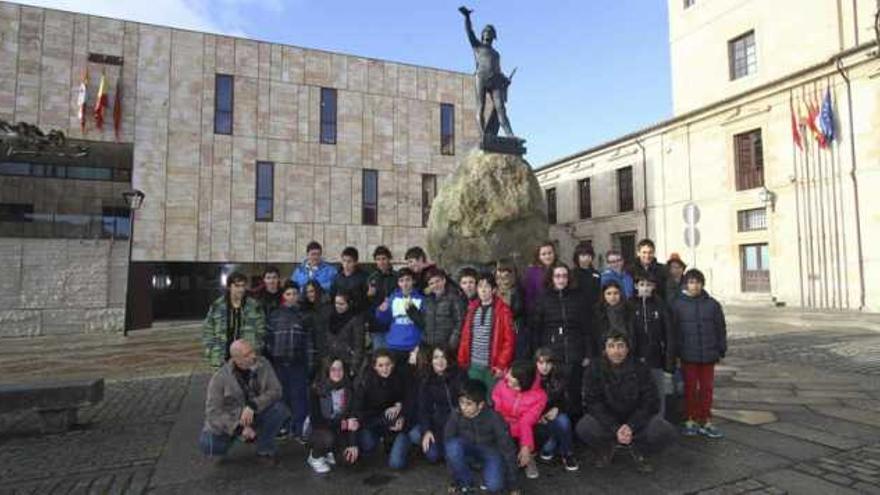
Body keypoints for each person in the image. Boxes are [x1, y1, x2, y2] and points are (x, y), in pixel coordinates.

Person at [575, 332, 677, 473]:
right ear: (605, 349)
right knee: (584, 427)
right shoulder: (594, 368)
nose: (616, 351)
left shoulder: (641, 368)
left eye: (620, 346)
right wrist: (615, 427)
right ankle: (607, 448)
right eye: (611, 346)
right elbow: (593, 403)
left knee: (664, 430)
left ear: (627, 349)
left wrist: (631, 426)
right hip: (608, 421)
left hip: (635, 420)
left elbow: (651, 401)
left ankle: (640, 450)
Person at [199, 339, 289, 465]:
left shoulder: (263, 363)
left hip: (255, 413)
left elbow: (276, 390)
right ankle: (240, 436)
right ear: (237, 359)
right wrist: (238, 428)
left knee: (280, 410)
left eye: (252, 351)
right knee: (209, 445)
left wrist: (253, 405)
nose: (253, 356)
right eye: (247, 354)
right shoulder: (219, 377)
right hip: (233, 419)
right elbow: (213, 413)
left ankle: (264, 449)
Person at [530, 263, 593, 418]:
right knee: (554, 396)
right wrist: (538, 354)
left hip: (575, 353)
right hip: (552, 355)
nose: (561, 279)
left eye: (564, 276)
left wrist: (588, 353)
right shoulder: (543, 298)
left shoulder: (578, 298)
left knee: (575, 396)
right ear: (551, 278)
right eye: (558, 276)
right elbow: (536, 328)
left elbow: (587, 327)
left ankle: (576, 434)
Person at [670, 269, 727, 439]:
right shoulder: (677, 304)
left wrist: (721, 349)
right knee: (690, 388)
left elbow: (720, 328)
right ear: (686, 284)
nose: (695, 286)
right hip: (688, 354)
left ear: (702, 284)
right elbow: (674, 331)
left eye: (698, 282)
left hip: (709, 354)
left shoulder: (712, 304)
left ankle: (706, 419)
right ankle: (690, 418)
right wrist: (676, 352)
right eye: (691, 282)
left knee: (707, 388)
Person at [444, 379, 519, 494]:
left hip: (490, 451)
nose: (463, 407)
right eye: (461, 402)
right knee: (452, 446)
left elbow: (507, 449)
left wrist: (513, 485)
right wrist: (453, 480)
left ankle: (485, 472)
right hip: (467, 448)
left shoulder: (494, 418)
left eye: (468, 404)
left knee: (495, 487)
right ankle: (466, 481)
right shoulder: (456, 414)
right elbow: (448, 444)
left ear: (481, 405)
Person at [264, 280, 314, 440]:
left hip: (298, 363)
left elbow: (310, 343)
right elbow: (268, 338)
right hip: (279, 363)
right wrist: (273, 354)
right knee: (282, 397)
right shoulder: (275, 314)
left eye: (294, 293)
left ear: (299, 295)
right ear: (283, 296)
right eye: (288, 294)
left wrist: (311, 363)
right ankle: (284, 426)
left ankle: (300, 430)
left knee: (299, 398)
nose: (292, 297)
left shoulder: (304, 315)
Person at [352, 349, 414, 469]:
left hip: (397, 424)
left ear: (393, 364)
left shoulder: (400, 377)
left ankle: (400, 445)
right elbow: (359, 412)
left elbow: (410, 399)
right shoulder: (366, 382)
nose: (385, 369)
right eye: (380, 365)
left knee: (396, 464)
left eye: (388, 364)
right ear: (374, 366)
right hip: (373, 422)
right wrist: (385, 420)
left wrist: (401, 411)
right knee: (367, 443)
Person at [457, 273, 515, 392]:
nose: (483, 290)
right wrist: (462, 359)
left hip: (492, 366)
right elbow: (465, 337)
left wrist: (501, 365)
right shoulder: (472, 308)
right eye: (480, 286)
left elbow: (509, 341)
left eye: (487, 286)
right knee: (475, 397)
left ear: (493, 290)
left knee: (492, 398)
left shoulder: (503, 310)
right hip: (473, 364)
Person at [492, 360, 547, 480]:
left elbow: (526, 421)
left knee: (540, 430)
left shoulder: (540, 396)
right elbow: (496, 410)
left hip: (522, 429)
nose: (506, 376)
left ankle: (529, 457)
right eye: (509, 373)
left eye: (512, 377)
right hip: (503, 425)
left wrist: (526, 446)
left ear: (523, 381)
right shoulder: (502, 384)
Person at [631, 271, 675, 417]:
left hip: (656, 358)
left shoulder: (660, 305)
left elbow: (669, 333)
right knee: (638, 394)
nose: (645, 288)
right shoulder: (630, 305)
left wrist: (669, 363)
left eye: (648, 285)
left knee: (658, 392)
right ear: (636, 286)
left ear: (654, 287)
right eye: (642, 285)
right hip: (636, 359)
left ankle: (659, 421)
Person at [412, 345, 465, 463]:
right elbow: (423, 408)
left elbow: (464, 404)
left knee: (453, 453)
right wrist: (427, 430)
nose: (439, 361)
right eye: (436, 357)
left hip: (455, 422)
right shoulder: (426, 378)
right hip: (436, 423)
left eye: (443, 357)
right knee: (432, 455)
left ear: (449, 359)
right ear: (431, 360)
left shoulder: (459, 375)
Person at [307, 357, 359, 473]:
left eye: (340, 369)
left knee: (349, 460)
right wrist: (344, 424)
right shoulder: (315, 390)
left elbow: (353, 416)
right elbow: (317, 421)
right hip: (319, 430)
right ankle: (315, 457)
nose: (337, 373)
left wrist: (352, 444)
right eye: (333, 369)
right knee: (327, 438)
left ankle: (330, 452)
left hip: (339, 431)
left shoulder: (349, 388)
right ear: (326, 371)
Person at [202, 272, 266, 369]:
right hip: (222, 358)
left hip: (246, 358)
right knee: (223, 383)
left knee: (245, 384)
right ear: (229, 287)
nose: (241, 289)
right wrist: (211, 350)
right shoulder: (218, 306)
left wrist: (256, 349)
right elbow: (208, 330)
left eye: (243, 286)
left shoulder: (254, 306)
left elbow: (261, 331)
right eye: (237, 286)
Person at [533, 347, 579, 472]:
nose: (544, 366)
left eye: (548, 363)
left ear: (553, 364)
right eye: (541, 363)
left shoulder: (561, 377)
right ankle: (552, 443)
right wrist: (537, 415)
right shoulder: (530, 379)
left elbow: (570, 401)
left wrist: (558, 409)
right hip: (535, 419)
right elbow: (525, 403)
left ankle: (567, 453)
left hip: (554, 416)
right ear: (536, 363)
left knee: (564, 421)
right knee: (546, 449)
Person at [375, 268, 426, 365]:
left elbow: (424, 324)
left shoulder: (421, 299)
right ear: (398, 283)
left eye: (408, 280)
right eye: (401, 281)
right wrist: (381, 311)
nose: (405, 284)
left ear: (413, 281)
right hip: (394, 345)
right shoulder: (393, 298)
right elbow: (384, 321)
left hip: (413, 346)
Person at [315, 291, 365, 378]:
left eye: (342, 304)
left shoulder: (356, 320)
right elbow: (324, 338)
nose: (338, 306)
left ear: (349, 304)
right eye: (336, 303)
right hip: (330, 359)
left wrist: (354, 366)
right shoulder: (330, 316)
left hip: (347, 360)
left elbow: (358, 344)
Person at [422, 267, 466, 351]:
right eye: (431, 283)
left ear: (444, 281)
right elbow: (425, 322)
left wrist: (452, 344)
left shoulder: (454, 298)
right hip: (430, 345)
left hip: (447, 347)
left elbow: (460, 322)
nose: (435, 285)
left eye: (437, 281)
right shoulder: (428, 300)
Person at [495, 259, 528, 360]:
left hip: (514, 326)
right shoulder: (495, 289)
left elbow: (519, 309)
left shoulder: (516, 290)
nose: (502, 276)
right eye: (499, 272)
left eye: (505, 272)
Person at [367, 246, 398, 350]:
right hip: (377, 325)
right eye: (378, 259)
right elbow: (367, 303)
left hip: (393, 324)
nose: (381, 262)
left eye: (384, 258)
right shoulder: (371, 278)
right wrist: (369, 296)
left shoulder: (397, 277)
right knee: (379, 355)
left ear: (389, 259)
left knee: (393, 355)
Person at [593, 280, 636, 355]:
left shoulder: (629, 309)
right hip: (605, 350)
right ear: (603, 295)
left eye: (616, 293)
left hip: (626, 348)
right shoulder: (598, 311)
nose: (612, 297)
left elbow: (632, 331)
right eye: (608, 294)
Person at [331, 246, 370, 315]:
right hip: (338, 311)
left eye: (349, 262)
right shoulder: (337, 277)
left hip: (356, 312)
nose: (346, 264)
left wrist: (350, 305)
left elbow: (365, 300)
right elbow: (332, 295)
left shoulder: (363, 277)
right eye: (344, 261)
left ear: (355, 262)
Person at [522, 241, 556, 313]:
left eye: (550, 253)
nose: (547, 256)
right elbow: (529, 297)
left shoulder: (560, 269)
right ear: (538, 256)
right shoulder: (531, 272)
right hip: (539, 312)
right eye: (543, 254)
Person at [572, 241, 601, 308]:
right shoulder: (573, 274)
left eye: (589, 255)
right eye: (583, 255)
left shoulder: (596, 274)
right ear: (577, 257)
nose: (587, 258)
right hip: (578, 309)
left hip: (595, 309)